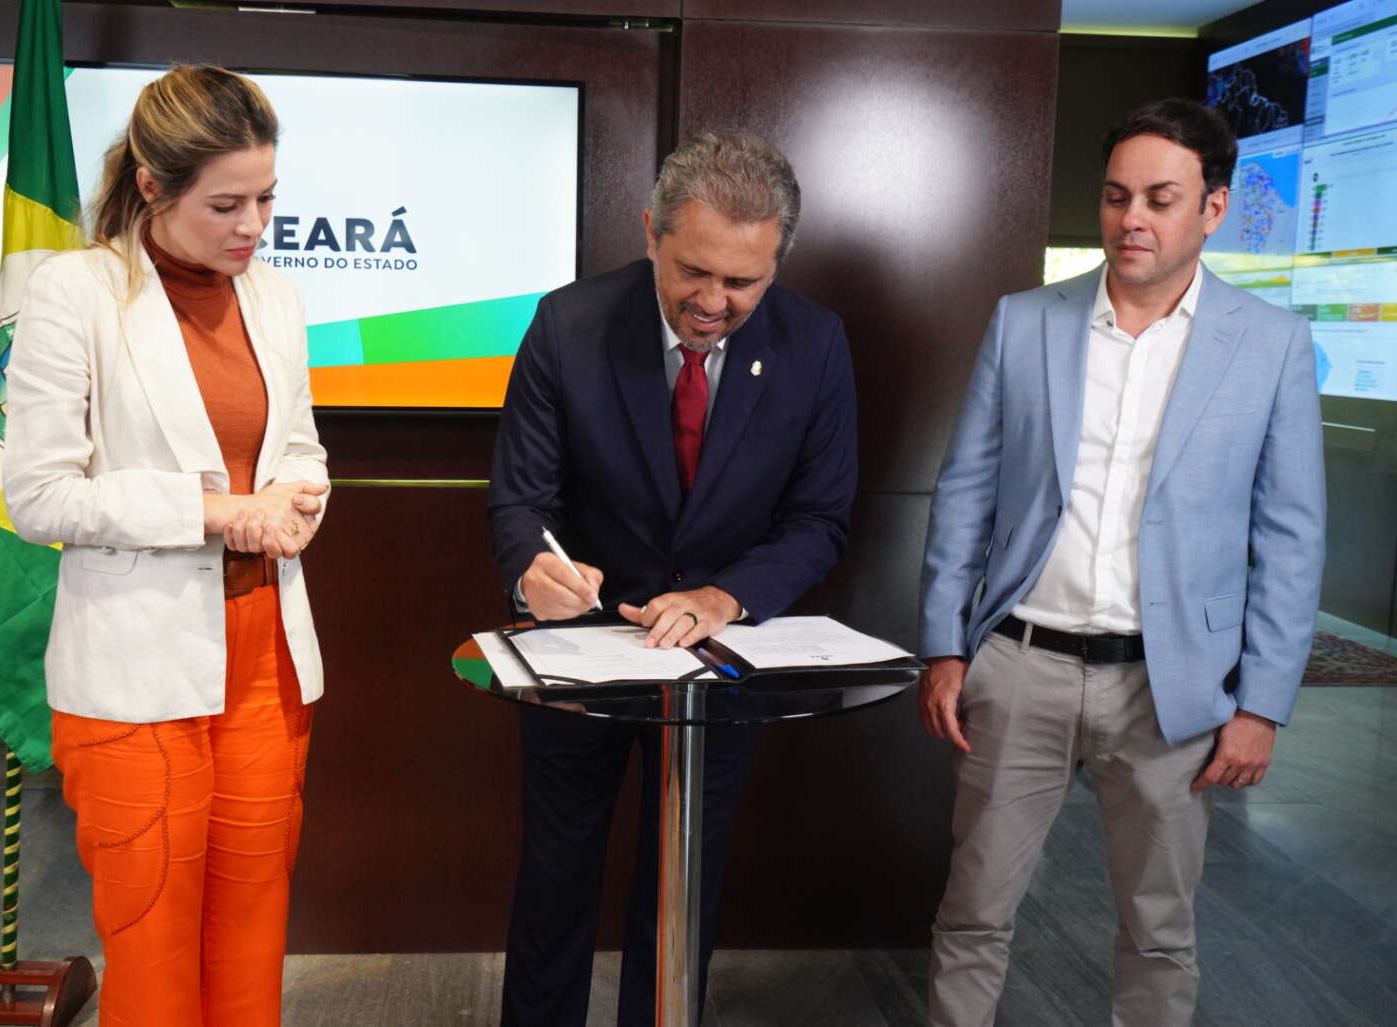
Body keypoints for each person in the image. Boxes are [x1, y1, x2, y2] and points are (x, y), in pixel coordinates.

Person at [917, 97, 1326, 1026]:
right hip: (1020, 665)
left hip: (1173, 685)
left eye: (1159, 199)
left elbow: (1291, 537)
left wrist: (1260, 704)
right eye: (1115, 196)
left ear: (1213, 209)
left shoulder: (1272, 346)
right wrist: (945, 646)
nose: (1131, 217)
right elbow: (965, 490)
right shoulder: (1025, 321)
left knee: (1159, 929)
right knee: (973, 910)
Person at [487, 129, 858, 1026]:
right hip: (581, 647)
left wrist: (725, 596)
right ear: (651, 230)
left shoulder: (814, 343)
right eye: (694, 270)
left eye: (743, 281)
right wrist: (534, 573)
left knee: (683, 882)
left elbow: (820, 520)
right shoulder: (569, 323)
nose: (714, 302)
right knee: (556, 872)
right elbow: (521, 498)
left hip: (717, 658)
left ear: (778, 260)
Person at [2, 65, 329, 1027]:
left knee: (253, 923)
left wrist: (295, 502)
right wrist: (216, 512)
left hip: (266, 658)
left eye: (267, 198)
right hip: (135, 670)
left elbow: (300, 448)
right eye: (226, 204)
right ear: (151, 184)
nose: (253, 225)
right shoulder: (76, 291)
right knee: (153, 937)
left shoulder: (276, 297)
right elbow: (39, 495)